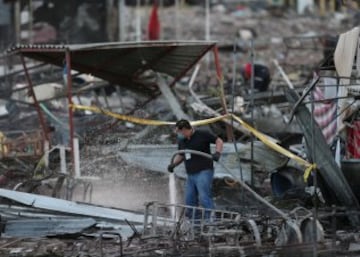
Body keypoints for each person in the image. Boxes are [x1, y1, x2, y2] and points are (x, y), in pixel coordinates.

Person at [167, 119, 223, 220]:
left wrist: (217, 153)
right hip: (191, 174)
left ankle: (211, 222)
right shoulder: (182, 141)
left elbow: (218, 141)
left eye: (179, 132)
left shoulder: (202, 134)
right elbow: (181, 154)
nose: (178, 135)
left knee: (204, 197)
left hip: (204, 171)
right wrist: (173, 164)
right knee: (189, 200)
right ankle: (195, 225)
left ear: (184, 129)